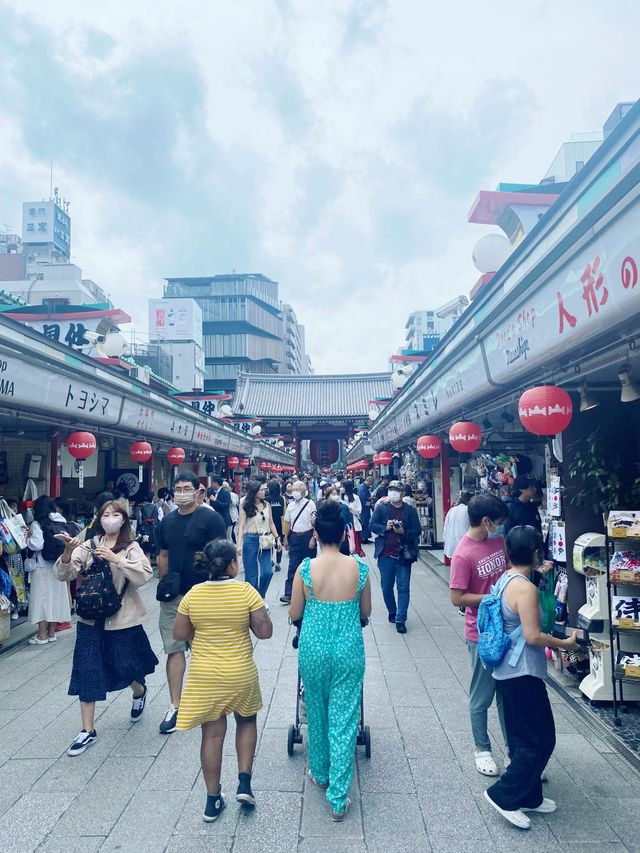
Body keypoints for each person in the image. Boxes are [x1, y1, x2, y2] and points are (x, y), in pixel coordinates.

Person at [484, 526, 579, 830]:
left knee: (523, 735)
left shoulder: (507, 579)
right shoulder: (523, 589)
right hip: (521, 671)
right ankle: (504, 795)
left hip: (507, 670)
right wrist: (565, 645)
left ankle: (530, 795)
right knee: (540, 739)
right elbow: (533, 635)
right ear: (537, 552)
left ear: (508, 552)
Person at [173, 539, 272, 821]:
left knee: (212, 734)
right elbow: (264, 632)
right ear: (232, 564)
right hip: (240, 671)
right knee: (247, 721)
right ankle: (244, 782)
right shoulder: (246, 591)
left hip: (205, 675)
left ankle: (212, 800)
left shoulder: (193, 594)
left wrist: (204, 633)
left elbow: (179, 633)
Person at [53, 499, 158, 756]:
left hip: (122, 620)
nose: (109, 518)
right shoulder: (88, 544)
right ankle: (87, 730)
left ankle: (139, 689)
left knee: (126, 667)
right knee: (87, 670)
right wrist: (68, 552)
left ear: (123, 519)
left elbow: (144, 576)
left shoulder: (130, 547)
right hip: (90, 620)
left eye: (114, 514)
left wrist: (116, 560)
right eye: (105, 514)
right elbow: (63, 574)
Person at [289, 499, 371, 821]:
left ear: (316, 534)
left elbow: (295, 612)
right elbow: (366, 612)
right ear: (344, 532)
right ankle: (338, 797)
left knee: (319, 713)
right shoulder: (360, 568)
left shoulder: (305, 569)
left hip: (314, 649)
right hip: (349, 648)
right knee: (345, 717)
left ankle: (320, 772)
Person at [156, 473, 227, 735]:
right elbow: (162, 554)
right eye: (178, 489)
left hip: (203, 592)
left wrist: (219, 586)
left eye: (187, 488)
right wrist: (163, 581)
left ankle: (209, 700)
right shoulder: (167, 522)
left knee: (204, 649)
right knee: (174, 649)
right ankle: (176, 705)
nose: (182, 493)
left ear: (198, 492)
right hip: (173, 594)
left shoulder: (211, 519)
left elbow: (221, 553)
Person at [449, 494, 509, 777]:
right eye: (497, 523)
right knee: (482, 693)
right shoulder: (463, 554)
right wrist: (491, 599)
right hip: (481, 632)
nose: (500, 528)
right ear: (486, 522)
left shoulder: (498, 542)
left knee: (508, 693)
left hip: (509, 628)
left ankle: (514, 751)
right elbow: (457, 597)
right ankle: (481, 748)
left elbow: (508, 570)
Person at [370, 480, 420, 634]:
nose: (393, 493)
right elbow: (372, 524)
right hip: (385, 555)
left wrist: (403, 532)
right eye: (391, 490)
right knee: (386, 587)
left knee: (403, 588)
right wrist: (385, 527)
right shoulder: (382, 508)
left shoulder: (410, 511)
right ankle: (392, 610)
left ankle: (400, 618)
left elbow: (417, 530)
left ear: (403, 493)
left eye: (396, 490)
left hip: (403, 555)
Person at [26, 496, 73, 645]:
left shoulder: (37, 523)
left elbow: (37, 545)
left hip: (42, 567)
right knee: (54, 599)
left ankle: (41, 636)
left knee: (41, 600)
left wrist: (27, 538)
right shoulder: (61, 521)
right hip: (58, 565)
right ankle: (52, 633)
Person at [237, 480, 281, 598]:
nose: (264, 492)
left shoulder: (267, 505)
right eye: (261, 490)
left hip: (265, 539)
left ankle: (260, 596)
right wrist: (239, 544)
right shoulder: (245, 505)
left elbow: (271, 523)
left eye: (264, 489)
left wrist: (277, 538)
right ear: (254, 491)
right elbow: (241, 526)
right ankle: (252, 600)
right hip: (250, 539)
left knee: (267, 571)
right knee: (251, 574)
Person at [280, 481, 317, 604]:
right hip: (294, 537)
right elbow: (287, 523)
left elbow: (315, 522)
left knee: (309, 565)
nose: (294, 492)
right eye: (293, 489)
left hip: (307, 536)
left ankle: (310, 592)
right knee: (293, 565)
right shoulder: (290, 506)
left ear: (303, 491)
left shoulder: (310, 504)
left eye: (296, 489)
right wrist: (286, 539)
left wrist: (314, 537)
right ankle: (289, 593)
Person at [443, 492, 473, 560]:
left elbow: (445, 528)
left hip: (451, 545)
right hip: (464, 544)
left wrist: (445, 541)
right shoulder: (468, 510)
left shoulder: (451, 510)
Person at [135, 493, 162, 563]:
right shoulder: (157, 507)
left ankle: (147, 567)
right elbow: (160, 519)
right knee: (156, 550)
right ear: (153, 498)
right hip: (154, 530)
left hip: (145, 531)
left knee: (146, 551)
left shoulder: (142, 508)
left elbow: (140, 520)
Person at [265, 479, 285, 572]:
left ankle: (270, 561)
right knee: (278, 544)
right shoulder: (282, 499)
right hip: (279, 525)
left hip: (269, 525)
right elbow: (284, 513)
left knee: (269, 544)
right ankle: (278, 563)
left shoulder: (266, 499)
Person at [342, 480, 365, 557]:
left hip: (353, 522)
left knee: (354, 542)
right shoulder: (340, 497)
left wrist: (352, 510)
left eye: (343, 486)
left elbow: (359, 510)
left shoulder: (356, 497)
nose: (341, 488)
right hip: (343, 523)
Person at [357, 476, 373, 543]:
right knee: (364, 522)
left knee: (366, 522)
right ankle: (363, 538)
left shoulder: (364, 487)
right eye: (370, 483)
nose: (371, 485)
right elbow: (363, 499)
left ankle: (366, 537)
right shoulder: (362, 488)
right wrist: (370, 503)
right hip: (363, 508)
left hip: (366, 508)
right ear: (368, 481)